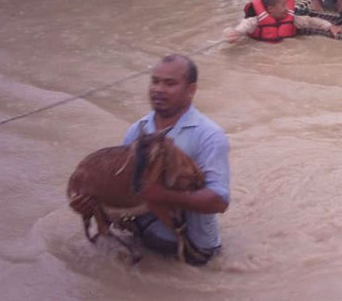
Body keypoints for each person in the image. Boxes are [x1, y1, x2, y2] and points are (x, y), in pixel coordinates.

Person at [69, 54, 230, 266]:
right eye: (155, 81)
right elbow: (124, 188)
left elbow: (219, 201)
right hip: (141, 242)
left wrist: (162, 195)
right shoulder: (137, 130)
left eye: (170, 83)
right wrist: (89, 207)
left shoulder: (209, 135)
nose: (158, 89)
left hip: (192, 253)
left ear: (191, 90)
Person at [223, 0, 342, 43]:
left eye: (286, 5)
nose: (287, 9)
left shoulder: (292, 19)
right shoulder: (254, 22)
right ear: (270, 9)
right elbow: (240, 29)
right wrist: (232, 34)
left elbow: (311, 21)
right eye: (283, 6)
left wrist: (330, 26)